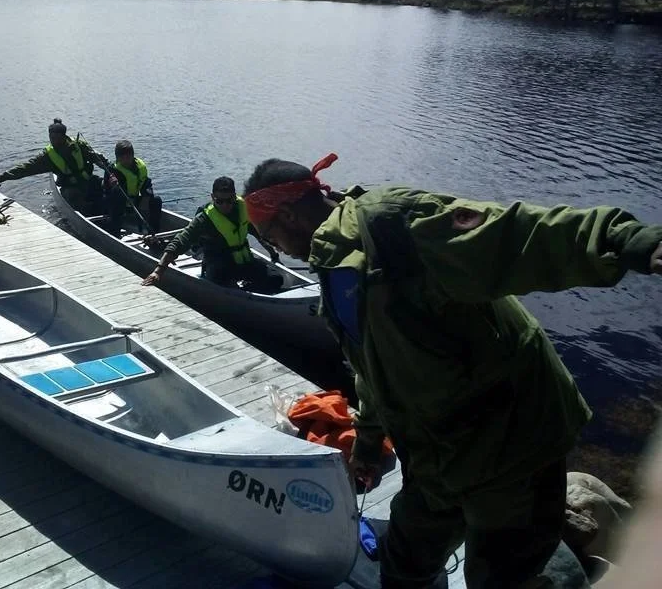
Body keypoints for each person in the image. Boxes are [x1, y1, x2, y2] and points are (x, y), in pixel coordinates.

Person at [241, 153, 662, 589]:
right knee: (405, 562)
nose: (276, 250)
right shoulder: (336, 260)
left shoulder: (391, 224)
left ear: (287, 214)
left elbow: (513, 235)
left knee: (502, 576)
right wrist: (366, 442)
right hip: (436, 453)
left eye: (268, 236)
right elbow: (374, 368)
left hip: (511, 447)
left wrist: (629, 240)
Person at [142, 176, 282, 291]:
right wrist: (158, 271)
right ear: (212, 197)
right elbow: (181, 240)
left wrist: (273, 253)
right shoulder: (205, 219)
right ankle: (239, 293)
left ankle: (248, 291)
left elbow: (259, 233)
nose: (225, 205)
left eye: (229, 200)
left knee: (276, 278)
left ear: (234, 197)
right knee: (223, 278)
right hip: (218, 266)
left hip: (242, 261)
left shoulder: (243, 210)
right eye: (219, 201)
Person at [0, 119, 109, 214]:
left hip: (87, 181)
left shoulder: (79, 146)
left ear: (64, 137)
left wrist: (111, 170)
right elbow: (25, 168)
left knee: (104, 187)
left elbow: (97, 158)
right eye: (51, 137)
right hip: (70, 187)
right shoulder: (48, 157)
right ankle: (91, 215)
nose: (52, 141)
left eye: (56, 138)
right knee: (79, 201)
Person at [107, 139, 163, 236]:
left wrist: (145, 198)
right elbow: (107, 190)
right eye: (122, 157)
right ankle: (114, 233)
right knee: (117, 194)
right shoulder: (112, 169)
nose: (125, 160)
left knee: (156, 200)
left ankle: (154, 235)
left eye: (128, 156)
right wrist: (112, 185)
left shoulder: (140, 167)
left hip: (133, 201)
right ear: (117, 158)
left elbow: (147, 184)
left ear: (133, 155)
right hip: (116, 203)